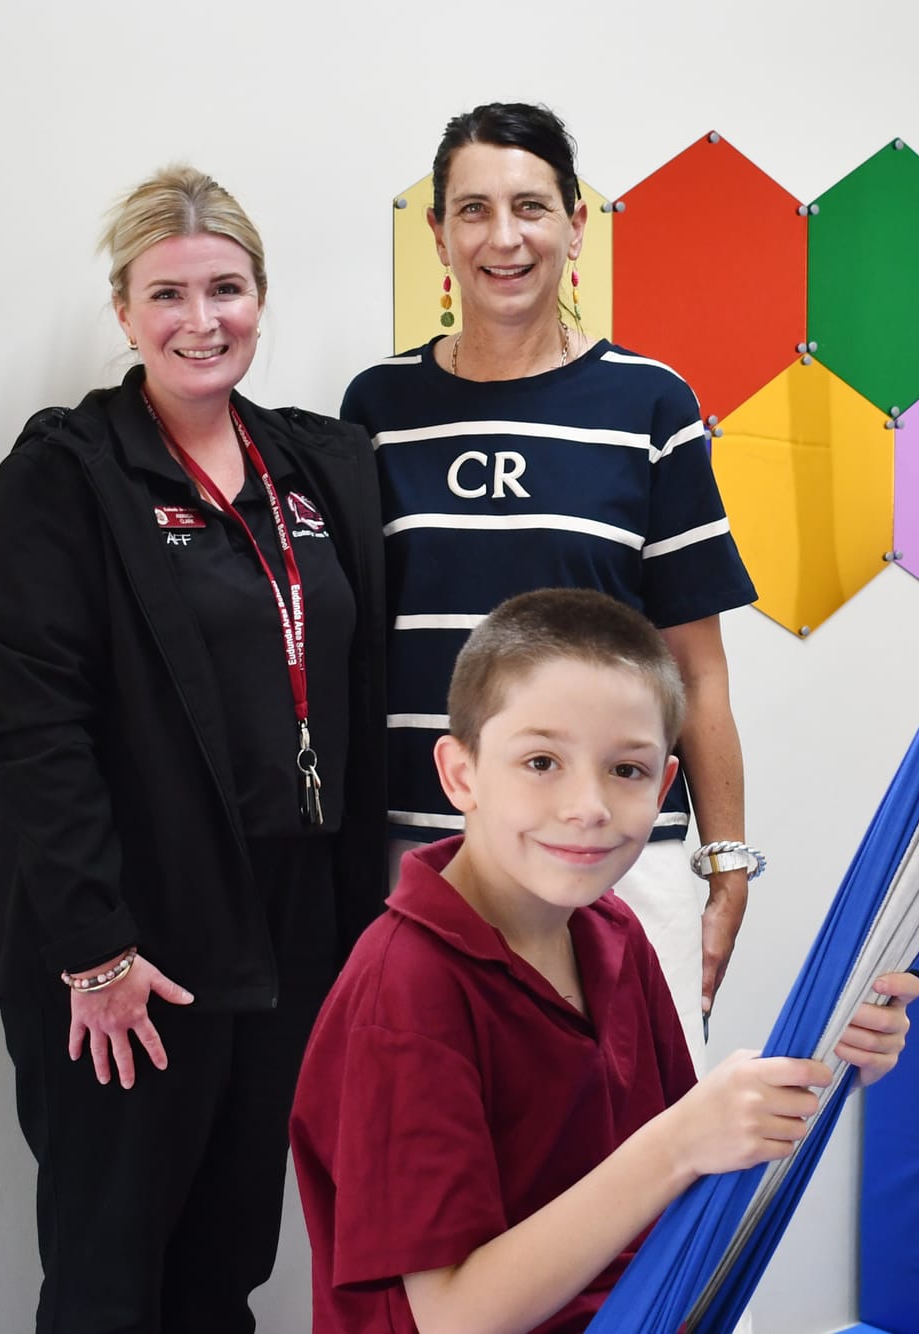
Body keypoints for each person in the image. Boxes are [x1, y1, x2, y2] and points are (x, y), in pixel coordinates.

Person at [0, 165, 388, 1333]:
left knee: (227, 1269)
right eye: (169, 294)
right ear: (124, 312)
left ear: (262, 297)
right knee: (112, 1281)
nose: (202, 320)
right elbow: (38, 729)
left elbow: (361, 683)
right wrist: (97, 949)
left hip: (287, 931)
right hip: (132, 944)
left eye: (227, 288)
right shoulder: (68, 476)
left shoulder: (319, 468)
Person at [290, 589, 919, 1334]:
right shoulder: (405, 992)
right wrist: (682, 1140)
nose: (587, 805)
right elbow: (453, 1317)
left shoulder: (612, 933)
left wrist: (827, 1066)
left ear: (664, 785)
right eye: (541, 761)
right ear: (461, 775)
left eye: (626, 771)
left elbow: (691, 1176)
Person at [341, 102, 757, 1062]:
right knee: (454, 1169)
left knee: (642, 1162)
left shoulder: (651, 404)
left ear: (576, 225)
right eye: (473, 210)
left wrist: (726, 856)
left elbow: (697, 667)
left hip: (614, 850)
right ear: (439, 235)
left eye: (531, 206)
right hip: (432, 851)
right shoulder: (377, 409)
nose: (504, 236)